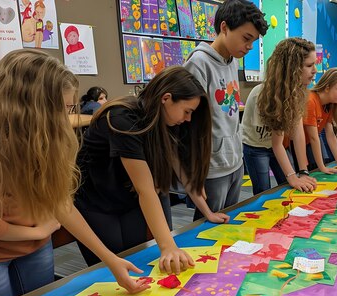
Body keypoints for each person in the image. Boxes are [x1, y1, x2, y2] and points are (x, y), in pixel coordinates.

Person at [0, 50, 148, 296]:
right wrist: (40, 231)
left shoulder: (46, 137)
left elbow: (61, 204)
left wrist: (110, 259)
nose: (66, 118)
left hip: (35, 245)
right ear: (27, 107)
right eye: (61, 108)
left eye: (70, 108)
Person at [75, 66, 227, 272]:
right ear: (166, 98)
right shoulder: (122, 118)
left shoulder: (164, 120)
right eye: (187, 111)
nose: (188, 119)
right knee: (111, 269)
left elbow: (179, 167)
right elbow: (144, 188)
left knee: (137, 260)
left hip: (126, 199)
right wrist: (169, 246)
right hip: (97, 202)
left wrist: (207, 212)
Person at [184, 0, 268, 220]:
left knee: (226, 221)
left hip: (234, 160)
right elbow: (190, 122)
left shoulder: (232, 60)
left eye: (253, 41)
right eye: (246, 38)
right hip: (211, 164)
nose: (249, 47)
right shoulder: (198, 63)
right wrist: (196, 174)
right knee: (206, 225)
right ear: (224, 27)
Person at [241, 38, 318, 195]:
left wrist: (303, 171)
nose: (315, 70)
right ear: (292, 69)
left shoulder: (297, 92)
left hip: (276, 144)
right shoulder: (265, 94)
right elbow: (277, 144)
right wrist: (293, 177)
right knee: (264, 190)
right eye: (309, 65)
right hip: (256, 147)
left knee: (289, 184)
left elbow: (298, 133)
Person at [303, 68, 337, 175]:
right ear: (327, 88)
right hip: (293, 145)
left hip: (306, 143)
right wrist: (322, 167)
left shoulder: (329, 105)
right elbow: (313, 137)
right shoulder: (311, 100)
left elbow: (330, 135)